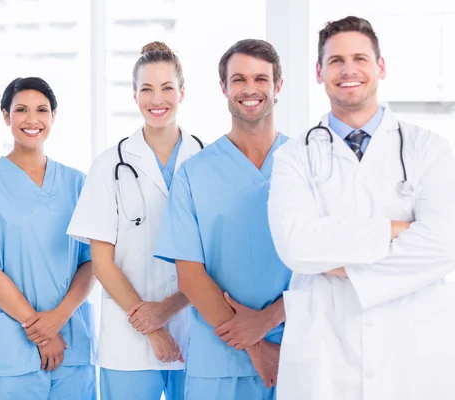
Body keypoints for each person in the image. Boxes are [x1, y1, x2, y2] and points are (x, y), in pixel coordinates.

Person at [268, 16, 455, 400]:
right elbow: (295, 246)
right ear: (319, 72)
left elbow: (444, 242)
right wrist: (395, 229)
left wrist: (339, 265)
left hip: (409, 349)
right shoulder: (294, 156)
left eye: (360, 58)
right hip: (325, 349)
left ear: (380, 68)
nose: (348, 70)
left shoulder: (429, 149)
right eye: (335, 61)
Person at [153, 39, 292, 400]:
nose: (250, 89)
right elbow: (190, 275)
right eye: (238, 79)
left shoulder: (305, 163)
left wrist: (267, 321)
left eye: (261, 79)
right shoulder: (194, 173)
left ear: (278, 87)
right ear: (223, 88)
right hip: (219, 361)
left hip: (297, 351)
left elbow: (325, 266)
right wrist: (255, 345)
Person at [67, 41, 202, 400]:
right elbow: (101, 263)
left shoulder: (206, 159)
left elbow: (215, 258)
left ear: (183, 92)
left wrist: (167, 311)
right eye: (147, 89)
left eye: (167, 88)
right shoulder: (108, 164)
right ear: (134, 95)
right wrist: (153, 327)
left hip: (195, 330)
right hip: (129, 340)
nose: (157, 99)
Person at [0, 77, 97, 399]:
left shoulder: (78, 184)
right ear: (6, 116)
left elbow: (93, 262)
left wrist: (57, 321)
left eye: (41, 110)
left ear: (53, 116)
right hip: (11, 350)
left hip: (72, 342)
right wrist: (43, 333)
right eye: (21, 110)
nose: (32, 120)